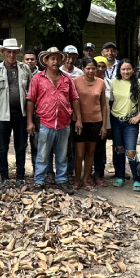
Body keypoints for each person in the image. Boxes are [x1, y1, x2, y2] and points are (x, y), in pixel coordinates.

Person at [27, 47, 82, 192]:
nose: (55, 61)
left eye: (58, 59)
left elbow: (74, 99)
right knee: (42, 154)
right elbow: (30, 100)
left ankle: (62, 180)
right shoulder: (38, 78)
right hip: (44, 122)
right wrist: (30, 122)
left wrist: (79, 120)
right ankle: (39, 181)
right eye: (52, 58)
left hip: (64, 123)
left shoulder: (67, 79)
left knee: (62, 154)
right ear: (46, 61)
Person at [0, 38, 31, 186]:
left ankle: (20, 176)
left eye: (14, 52)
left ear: (18, 52)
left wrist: (31, 118)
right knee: (3, 147)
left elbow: (30, 94)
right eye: (8, 52)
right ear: (4, 52)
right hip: (2, 115)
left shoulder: (25, 69)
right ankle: (4, 177)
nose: (11, 55)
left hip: (21, 114)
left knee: (21, 146)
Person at [109, 60, 140, 189]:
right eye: (123, 69)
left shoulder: (139, 83)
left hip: (131, 122)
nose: (126, 72)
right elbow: (111, 102)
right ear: (119, 70)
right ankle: (121, 177)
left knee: (131, 151)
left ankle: (136, 178)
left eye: (129, 69)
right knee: (119, 149)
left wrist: (138, 116)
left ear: (133, 70)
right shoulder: (114, 82)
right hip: (116, 120)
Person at [72, 57, 109, 189]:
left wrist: (104, 126)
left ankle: (85, 180)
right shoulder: (75, 81)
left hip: (95, 121)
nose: (91, 71)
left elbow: (104, 105)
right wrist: (78, 119)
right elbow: (73, 101)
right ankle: (77, 179)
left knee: (91, 152)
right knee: (79, 153)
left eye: (93, 68)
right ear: (82, 69)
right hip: (79, 122)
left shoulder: (100, 82)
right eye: (88, 68)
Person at [91, 56, 112, 185]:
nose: (100, 69)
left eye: (103, 66)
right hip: (90, 120)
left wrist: (107, 125)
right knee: (88, 149)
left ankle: (99, 174)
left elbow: (110, 104)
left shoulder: (110, 82)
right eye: (97, 66)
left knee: (100, 148)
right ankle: (87, 174)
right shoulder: (87, 81)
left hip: (104, 121)